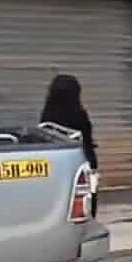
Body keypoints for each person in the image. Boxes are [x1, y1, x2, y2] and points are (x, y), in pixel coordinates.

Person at [39, 73, 98, 216]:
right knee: (85, 196)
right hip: (80, 160)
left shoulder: (47, 113)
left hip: (55, 162)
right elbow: (87, 140)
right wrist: (94, 165)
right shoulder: (79, 114)